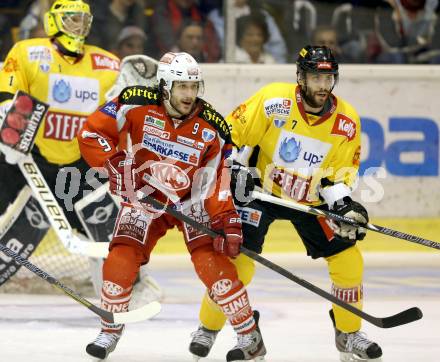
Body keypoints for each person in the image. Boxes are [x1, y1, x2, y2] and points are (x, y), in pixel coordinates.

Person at [190, 45, 383, 362]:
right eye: (315, 78)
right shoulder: (273, 101)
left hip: (309, 199)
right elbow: (228, 134)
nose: (323, 86)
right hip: (260, 192)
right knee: (238, 264)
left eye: (328, 79)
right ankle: (209, 327)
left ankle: (348, 333)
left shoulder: (346, 122)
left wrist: (345, 208)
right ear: (300, 77)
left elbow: (338, 179)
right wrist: (234, 168)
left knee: (349, 259)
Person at [78, 51, 267, 361]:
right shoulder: (134, 102)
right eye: (182, 87)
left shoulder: (213, 127)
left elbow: (218, 179)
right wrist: (114, 165)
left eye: (194, 87)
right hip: (145, 194)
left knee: (214, 267)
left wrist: (226, 220)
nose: (189, 95)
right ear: (164, 86)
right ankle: (109, 330)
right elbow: (91, 132)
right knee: (120, 259)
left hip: (191, 201)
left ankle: (249, 334)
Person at [0, 0, 119, 284]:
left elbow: (117, 116)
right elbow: (7, 94)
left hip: (75, 163)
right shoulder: (28, 52)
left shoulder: (108, 64)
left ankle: (123, 283)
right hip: (28, 155)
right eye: (71, 19)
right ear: (53, 21)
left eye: (83, 20)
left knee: (106, 228)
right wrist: (6, 124)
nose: (79, 26)